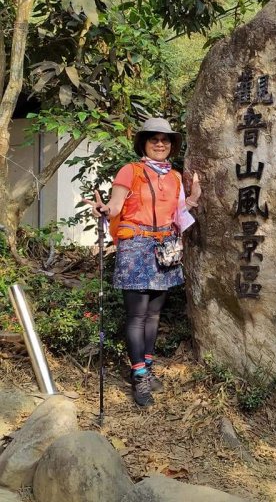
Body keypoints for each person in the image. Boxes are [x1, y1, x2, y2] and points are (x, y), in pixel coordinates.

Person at [85, 118, 200, 407]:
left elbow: (176, 212)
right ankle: (138, 375)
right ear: (144, 143)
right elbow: (115, 206)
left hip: (165, 248)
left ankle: (147, 367)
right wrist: (104, 209)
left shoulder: (174, 177)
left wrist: (193, 198)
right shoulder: (131, 171)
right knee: (137, 315)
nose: (160, 144)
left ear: (172, 145)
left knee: (154, 314)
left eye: (165, 139)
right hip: (136, 246)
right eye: (153, 139)